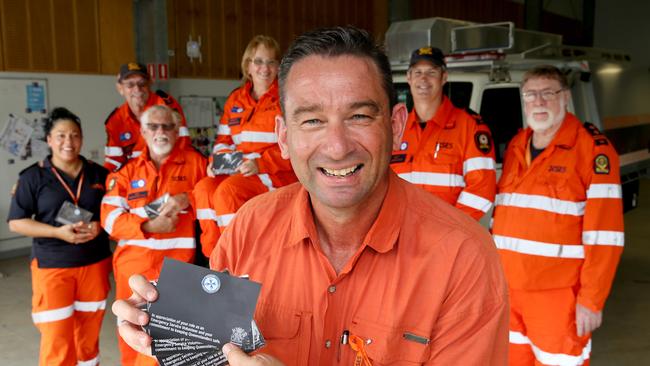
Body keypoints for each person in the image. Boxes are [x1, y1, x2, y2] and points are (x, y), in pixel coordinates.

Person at [113, 26, 509, 366]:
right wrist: (164, 328)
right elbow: (215, 351)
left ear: (396, 126)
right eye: (313, 120)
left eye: (359, 116)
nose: (336, 147)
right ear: (284, 137)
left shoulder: (463, 257)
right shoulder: (248, 227)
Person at [492, 65, 624, 365]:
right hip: (510, 291)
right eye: (530, 95)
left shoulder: (591, 150)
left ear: (565, 98)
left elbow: (605, 236)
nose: (538, 102)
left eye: (547, 93)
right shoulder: (517, 146)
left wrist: (591, 301)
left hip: (558, 297)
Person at [100, 105, 206, 366]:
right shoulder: (125, 172)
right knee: (133, 335)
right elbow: (109, 219)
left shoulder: (196, 163)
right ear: (143, 132)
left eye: (167, 126)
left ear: (177, 130)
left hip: (177, 269)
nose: (161, 132)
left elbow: (212, 198)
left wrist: (187, 197)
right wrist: (149, 227)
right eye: (154, 127)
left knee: (176, 339)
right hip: (133, 270)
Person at [8, 107, 111, 366]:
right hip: (53, 267)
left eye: (75, 135)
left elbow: (116, 213)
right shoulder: (33, 177)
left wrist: (100, 226)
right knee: (57, 338)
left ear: (82, 138)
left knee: (88, 337)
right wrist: (56, 232)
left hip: (94, 264)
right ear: (49, 140)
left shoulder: (100, 175)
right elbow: (17, 223)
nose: (69, 142)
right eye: (61, 135)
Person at [193, 35, 296, 257]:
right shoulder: (236, 99)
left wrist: (260, 163)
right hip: (241, 170)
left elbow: (297, 145)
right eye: (258, 61)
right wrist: (217, 164)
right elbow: (223, 141)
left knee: (227, 193)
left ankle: (235, 258)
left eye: (271, 62)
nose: (265, 68)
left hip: (277, 172)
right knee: (203, 188)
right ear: (248, 65)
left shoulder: (288, 98)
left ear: (279, 66)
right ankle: (214, 257)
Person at [390, 46, 496, 220]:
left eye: (431, 72)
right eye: (417, 72)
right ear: (408, 78)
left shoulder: (469, 126)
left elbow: (481, 190)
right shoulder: (396, 128)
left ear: (443, 77)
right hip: (401, 234)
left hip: (446, 239)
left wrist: (450, 230)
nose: (423, 79)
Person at [104, 62, 190, 172]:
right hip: (133, 179)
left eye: (142, 84)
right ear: (120, 88)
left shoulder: (167, 107)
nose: (137, 89)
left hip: (169, 173)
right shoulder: (115, 120)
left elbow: (183, 147)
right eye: (130, 85)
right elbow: (113, 162)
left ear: (150, 84)